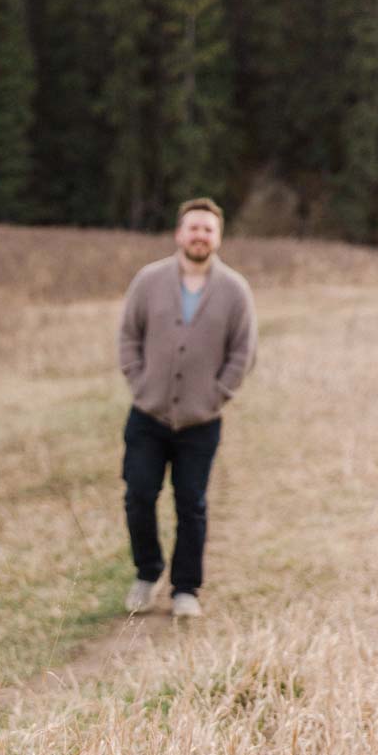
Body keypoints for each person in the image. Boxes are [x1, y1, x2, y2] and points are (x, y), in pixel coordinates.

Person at [118, 196, 257, 619]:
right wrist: (140, 383)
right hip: (148, 414)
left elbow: (243, 352)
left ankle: (185, 589)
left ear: (218, 237)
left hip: (201, 421)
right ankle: (147, 573)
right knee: (139, 495)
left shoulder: (235, 290)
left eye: (208, 229)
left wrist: (216, 395)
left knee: (191, 503)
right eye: (193, 228)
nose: (200, 235)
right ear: (180, 233)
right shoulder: (148, 280)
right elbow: (128, 337)